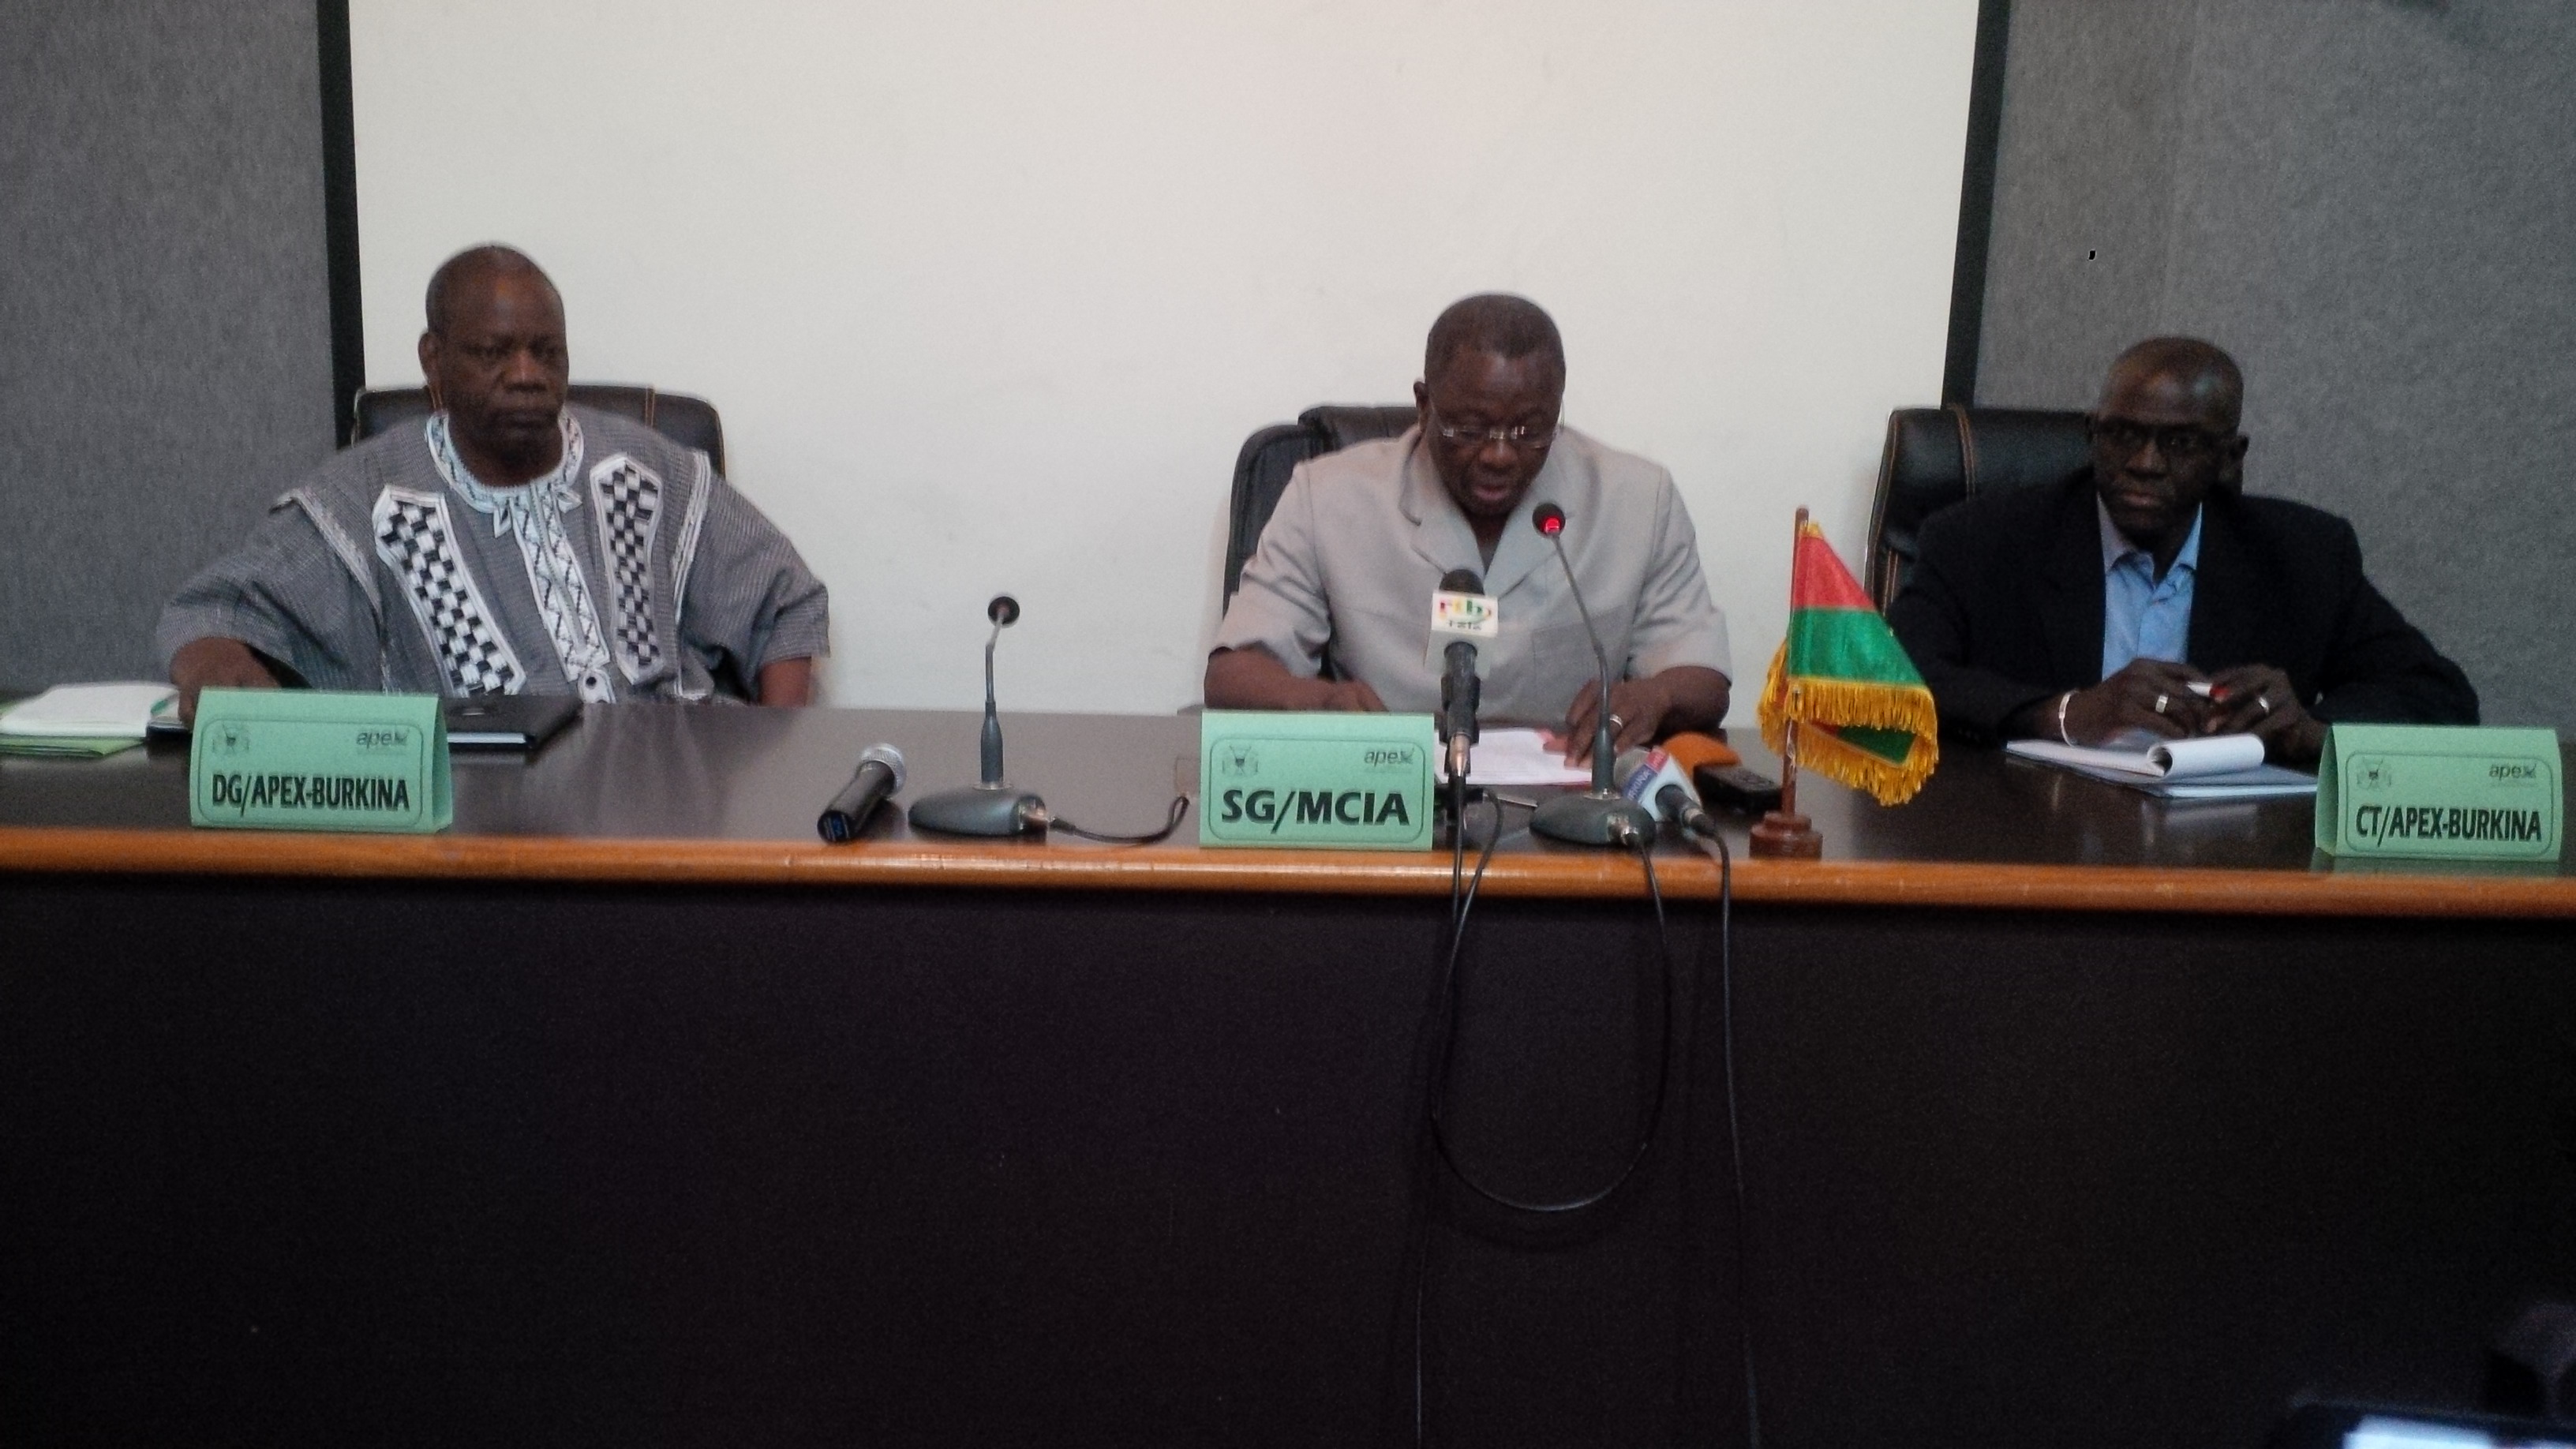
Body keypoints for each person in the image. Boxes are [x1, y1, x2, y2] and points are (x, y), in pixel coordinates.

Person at [159, 245, 828, 721]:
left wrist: (778, 760)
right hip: (477, 814)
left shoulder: (648, 467)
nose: (527, 374)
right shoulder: (364, 497)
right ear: (434, 359)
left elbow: (783, 601)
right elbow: (214, 613)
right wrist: (213, 664)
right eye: (494, 353)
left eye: (547, 352)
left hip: (670, 792)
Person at [1886, 337, 2476, 764]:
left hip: (2220, 851)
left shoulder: (2305, 555)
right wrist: (2064, 713)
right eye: (2123, 435)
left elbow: (2438, 697)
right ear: (2092, 435)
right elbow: (1890, 680)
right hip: (2030, 837)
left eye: (2181, 443)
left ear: (2229, 457)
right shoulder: (1980, 538)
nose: (2145, 463)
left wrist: (2310, 730)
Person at [1204, 294, 1731, 762]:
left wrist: (1656, 696)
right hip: (1389, 796)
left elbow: (1703, 675)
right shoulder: (1327, 497)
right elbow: (1233, 673)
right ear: (1424, 406)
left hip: (1569, 802)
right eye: (1471, 429)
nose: (1500, 454)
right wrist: (1321, 702)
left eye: (1529, 430)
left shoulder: (1638, 501)